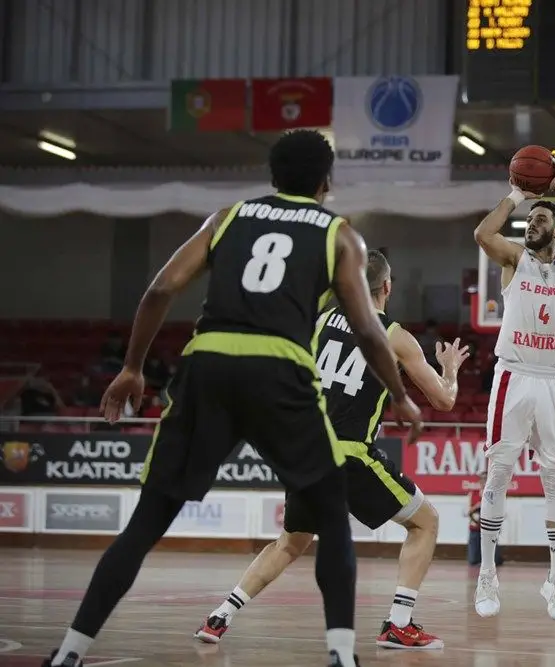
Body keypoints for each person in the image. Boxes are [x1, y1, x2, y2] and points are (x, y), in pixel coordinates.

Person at [40, 130, 422, 667]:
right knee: (331, 520)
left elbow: (159, 290)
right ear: (326, 182)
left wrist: (131, 367)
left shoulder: (227, 217)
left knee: (146, 523)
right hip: (280, 373)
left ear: (271, 176)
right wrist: (400, 396)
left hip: (209, 365)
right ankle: (342, 655)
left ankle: (71, 652)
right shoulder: (341, 235)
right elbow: (365, 325)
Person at [195, 249, 469, 650]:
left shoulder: (319, 320)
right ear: (387, 287)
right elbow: (444, 401)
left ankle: (221, 615)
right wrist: (450, 369)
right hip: (349, 452)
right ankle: (399, 624)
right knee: (425, 522)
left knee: (291, 542)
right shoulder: (395, 336)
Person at [471, 155, 555, 623]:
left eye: (540, 219)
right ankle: (487, 574)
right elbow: (483, 235)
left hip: (554, 382)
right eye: (530, 219)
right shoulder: (513, 259)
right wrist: (517, 197)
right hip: (515, 374)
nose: (531, 224)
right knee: (498, 473)